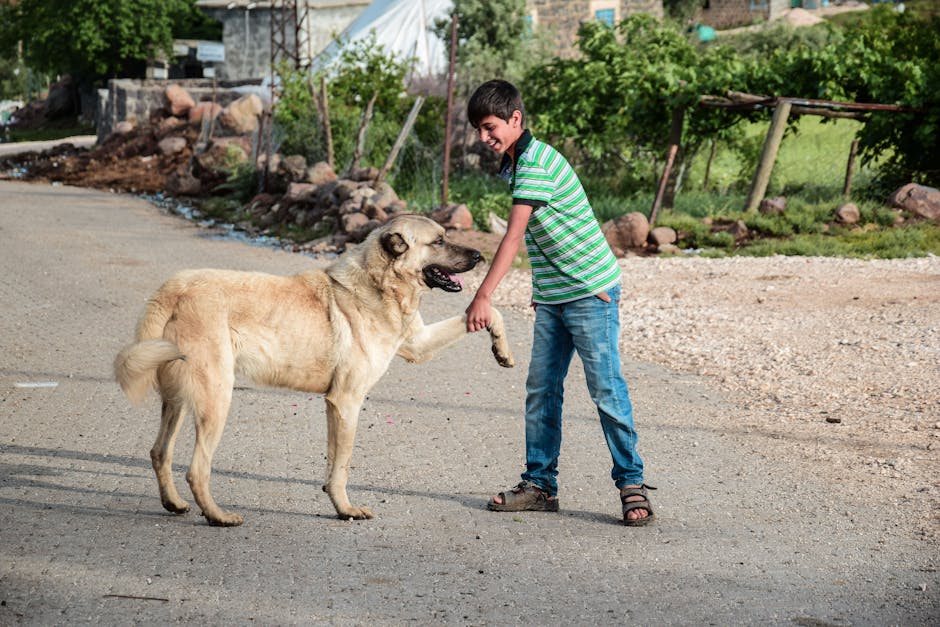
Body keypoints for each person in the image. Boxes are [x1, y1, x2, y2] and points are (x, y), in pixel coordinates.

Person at [463, 79, 654, 526]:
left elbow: (513, 237)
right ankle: (540, 485)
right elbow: (548, 233)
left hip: (591, 291)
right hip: (554, 296)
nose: (483, 137)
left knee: (606, 390)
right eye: (477, 129)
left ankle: (632, 482)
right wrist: (542, 289)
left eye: (489, 127)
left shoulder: (534, 164)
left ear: (516, 119)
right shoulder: (516, 162)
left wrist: (483, 295)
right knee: (541, 390)